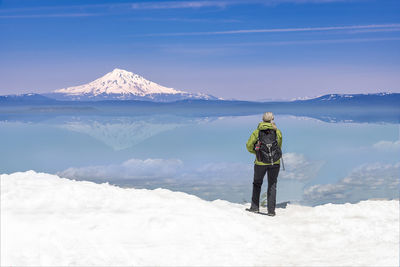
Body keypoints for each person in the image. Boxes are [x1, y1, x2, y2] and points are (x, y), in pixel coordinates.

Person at [246, 112, 282, 216]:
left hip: (260, 162)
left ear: (263, 120)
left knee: (257, 184)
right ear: (272, 120)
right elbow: (279, 146)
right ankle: (271, 211)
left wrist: (258, 153)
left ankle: (254, 207)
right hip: (275, 162)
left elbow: (249, 146)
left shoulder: (257, 132)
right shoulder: (277, 132)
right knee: (272, 185)